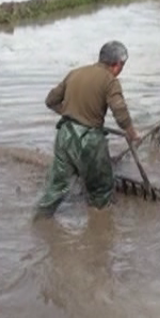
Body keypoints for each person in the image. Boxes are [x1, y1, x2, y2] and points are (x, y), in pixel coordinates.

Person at [34, 41, 141, 220]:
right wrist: (132, 133)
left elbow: (50, 101)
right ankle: (99, 233)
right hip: (88, 140)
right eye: (123, 65)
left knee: (56, 187)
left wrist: (70, 112)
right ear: (117, 64)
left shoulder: (75, 73)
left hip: (64, 134)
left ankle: (39, 221)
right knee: (101, 190)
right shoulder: (110, 81)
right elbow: (120, 113)